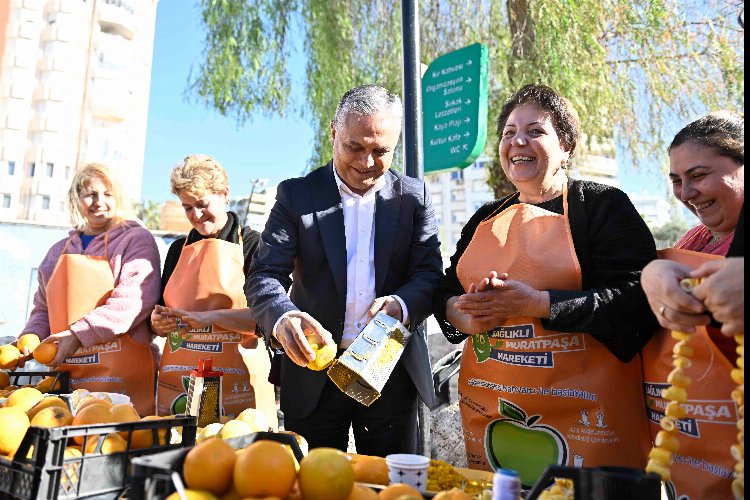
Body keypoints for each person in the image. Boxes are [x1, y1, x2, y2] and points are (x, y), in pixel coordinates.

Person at [433, 84, 659, 486]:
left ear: (567, 145)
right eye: (508, 133)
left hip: (591, 426)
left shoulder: (603, 207)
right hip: (493, 418)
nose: (518, 140)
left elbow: (638, 299)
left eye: (535, 131)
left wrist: (539, 303)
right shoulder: (484, 218)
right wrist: (460, 313)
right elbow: (445, 288)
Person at [247, 84, 443, 455]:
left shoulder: (414, 198)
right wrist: (283, 318)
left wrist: (400, 305)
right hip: (313, 376)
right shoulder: (296, 195)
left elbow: (430, 274)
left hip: (389, 376)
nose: (366, 162)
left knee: (389, 490)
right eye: (355, 147)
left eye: (380, 151)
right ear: (334, 132)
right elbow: (264, 275)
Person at [640, 111, 743, 499]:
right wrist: (650, 275)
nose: (686, 193)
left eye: (699, 176)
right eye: (677, 181)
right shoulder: (692, 241)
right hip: (697, 458)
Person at [20, 163, 161, 416]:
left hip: (123, 379)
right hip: (68, 379)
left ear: (118, 197)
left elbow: (132, 302)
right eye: (90, 194)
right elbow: (43, 308)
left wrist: (75, 336)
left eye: (107, 194)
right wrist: (29, 338)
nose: (99, 202)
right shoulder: (58, 251)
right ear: (77, 198)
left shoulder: (135, 239)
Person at [150, 155, 276, 425]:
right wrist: (158, 322)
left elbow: (265, 319)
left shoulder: (254, 245)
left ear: (225, 195)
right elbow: (160, 321)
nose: (196, 215)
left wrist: (209, 318)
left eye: (202, 204)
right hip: (180, 384)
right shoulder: (176, 250)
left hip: (239, 387)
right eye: (187, 207)